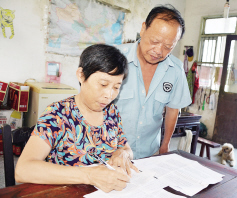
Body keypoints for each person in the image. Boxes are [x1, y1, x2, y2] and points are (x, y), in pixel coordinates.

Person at [15, 44, 138, 193]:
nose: (109, 95)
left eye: (116, 87)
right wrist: (89, 175)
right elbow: (23, 170)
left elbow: (125, 147)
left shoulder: (111, 111)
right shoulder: (57, 114)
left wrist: (123, 153)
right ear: (81, 75)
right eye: (103, 84)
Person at [114, 5, 191, 159]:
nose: (158, 51)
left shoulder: (175, 70)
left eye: (168, 46)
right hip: (111, 152)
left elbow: (173, 110)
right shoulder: (113, 58)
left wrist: (165, 145)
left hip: (149, 152)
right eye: (154, 41)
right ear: (143, 29)